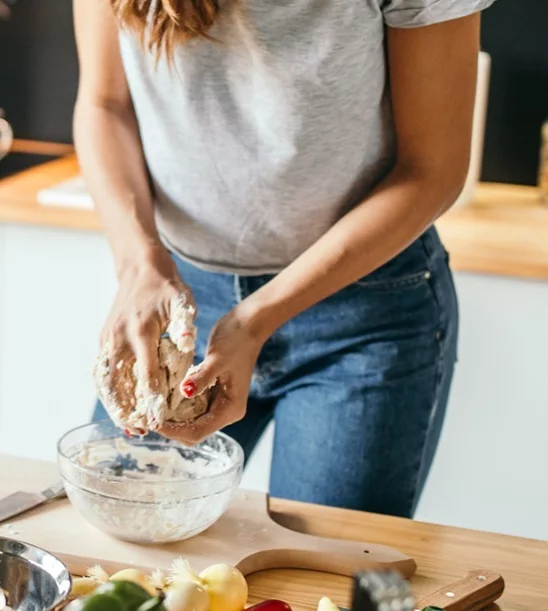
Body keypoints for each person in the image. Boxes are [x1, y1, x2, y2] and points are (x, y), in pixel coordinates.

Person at [77, 0, 493, 518]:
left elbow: (433, 169)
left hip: (361, 318)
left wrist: (255, 321)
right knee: (126, 534)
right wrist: (138, 263)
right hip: (181, 311)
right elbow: (104, 103)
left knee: (321, 567)